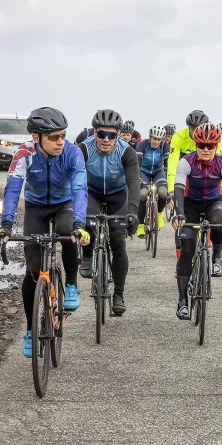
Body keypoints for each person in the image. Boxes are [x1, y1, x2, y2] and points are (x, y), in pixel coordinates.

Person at [0, 107, 90, 358]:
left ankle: (71, 284)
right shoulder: (24, 153)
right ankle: (30, 330)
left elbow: (80, 188)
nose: (60, 141)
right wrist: (6, 225)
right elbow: (13, 188)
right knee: (32, 272)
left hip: (64, 204)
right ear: (37, 137)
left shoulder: (72, 153)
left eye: (62, 135)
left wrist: (79, 224)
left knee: (66, 230)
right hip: (36, 208)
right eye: (53, 137)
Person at [77, 109, 140, 316]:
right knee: (88, 223)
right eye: (101, 134)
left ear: (118, 135)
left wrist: (132, 212)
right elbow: (74, 181)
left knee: (118, 242)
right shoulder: (84, 149)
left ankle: (119, 294)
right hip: (92, 193)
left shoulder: (126, 152)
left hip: (117, 195)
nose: (106, 139)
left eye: (112, 135)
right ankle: (87, 254)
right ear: (94, 132)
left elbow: (133, 184)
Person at [172, 123, 222, 319]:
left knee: (220, 220)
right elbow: (178, 188)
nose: (205, 149)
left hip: (214, 201)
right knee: (187, 248)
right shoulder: (186, 162)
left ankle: (217, 258)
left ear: (216, 146)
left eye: (210, 146)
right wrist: (179, 214)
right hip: (190, 204)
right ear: (195, 145)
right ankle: (182, 302)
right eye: (201, 145)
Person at [166, 109, 209, 208]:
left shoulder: (214, 138)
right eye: (193, 129)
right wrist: (172, 190)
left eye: (199, 129)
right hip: (185, 172)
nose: (195, 133)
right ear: (188, 127)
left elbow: (220, 168)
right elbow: (173, 163)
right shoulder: (178, 137)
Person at [136, 125, 170, 237]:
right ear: (150, 137)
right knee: (143, 194)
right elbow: (137, 163)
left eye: (159, 140)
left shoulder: (165, 146)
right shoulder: (142, 145)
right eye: (154, 139)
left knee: (163, 192)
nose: (156, 142)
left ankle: (159, 213)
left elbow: (167, 164)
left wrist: (168, 178)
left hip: (158, 172)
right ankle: (140, 225)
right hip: (144, 171)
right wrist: (138, 178)